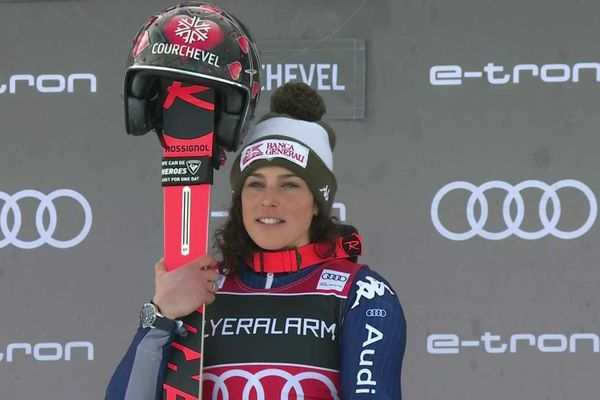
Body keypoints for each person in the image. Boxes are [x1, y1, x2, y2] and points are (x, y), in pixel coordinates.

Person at [106, 82, 406, 399]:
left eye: (289, 185)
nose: (268, 200)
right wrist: (160, 314)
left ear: (317, 202)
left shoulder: (361, 294)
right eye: (255, 184)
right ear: (240, 199)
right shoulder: (204, 287)